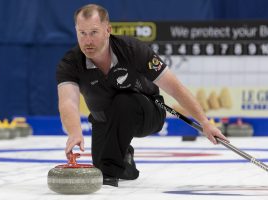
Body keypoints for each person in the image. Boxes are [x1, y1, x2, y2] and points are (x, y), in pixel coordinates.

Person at [56, 4, 228, 187]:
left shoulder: (133, 50)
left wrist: (205, 122)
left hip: (148, 112)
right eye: (82, 33)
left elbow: (175, 88)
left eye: (94, 32)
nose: (88, 40)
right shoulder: (70, 63)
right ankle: (125, 160)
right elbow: (68, 102)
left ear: (108, 30)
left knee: (123, 105)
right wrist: (74, 132)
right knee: (101, 164)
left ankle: (109, 174)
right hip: (104, 118)